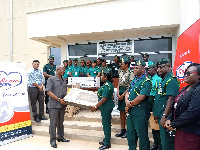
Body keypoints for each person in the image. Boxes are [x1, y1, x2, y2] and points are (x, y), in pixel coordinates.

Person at [165, 63, 200, 150]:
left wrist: (173, 124)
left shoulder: (198, 90)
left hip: (191, 132)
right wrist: (169, 118)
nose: (185, 75)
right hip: (181, 131)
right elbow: (175, 105)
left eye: (189, 73)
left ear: (198, 75)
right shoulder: (186, 88)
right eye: (185, 73)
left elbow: (192, 113)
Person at [153, 59, 180, 150]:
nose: (158, 69)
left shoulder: (171, 80)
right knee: (163, 141)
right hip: (160, 113)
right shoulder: (163, 80)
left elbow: (171, 100)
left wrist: (165, 116)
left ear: (169, 67)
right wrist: (156, 114)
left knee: (167, 142)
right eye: (158, 67)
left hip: (166, 115)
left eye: (161, 67)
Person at [125, 60, 151, 150]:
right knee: (131, 134)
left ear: (143, 69)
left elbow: (141, 97)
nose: (134, 70)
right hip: (131, 112)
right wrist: (127, 101)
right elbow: (127, 92)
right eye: (134, 68)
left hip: (140, 112)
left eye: (137, 68)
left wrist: (129, 104)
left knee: (142, 135)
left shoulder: (146, 81)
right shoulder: (135, 80)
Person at [46, 65, 70, 148]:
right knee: (53, 123)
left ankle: (60, 137)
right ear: (57, 70)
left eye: (64, 70)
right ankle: (53, 140)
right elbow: (49, 92)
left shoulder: (64, 80)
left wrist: (69, 97)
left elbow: (64, 92)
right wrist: (59, 99)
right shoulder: (51, 79)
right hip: (54, 105)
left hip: (62, 105)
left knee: (61, 122)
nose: (64, 71)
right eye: (63, 70)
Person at [91, 69, 114, 150]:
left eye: (102, 75)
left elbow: (104, 99)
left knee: (106, 125)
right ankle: (105, 140)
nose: (101, 76)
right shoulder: (107, 84)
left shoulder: (107, 86)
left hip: (106, 107)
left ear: (106, 77)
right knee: (105, 124)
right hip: (105, 107)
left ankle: (107, 143)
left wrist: (96, 106)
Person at [115, 58, 131, 138]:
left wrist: (123, 95)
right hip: (120, 91)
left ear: (127, 65)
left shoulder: (130, 73)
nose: (121, 65)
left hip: (126, 92)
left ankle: (129, 130)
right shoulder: (120, 71)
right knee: (121, 112)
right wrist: (118, 94)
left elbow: (130, 86)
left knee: (126, 112)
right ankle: (122, 129)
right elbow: (118, 83)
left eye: (123, 64)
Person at [148, 64, 162, 150]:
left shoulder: (159, 79)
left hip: (155, 101)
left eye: (150, 69)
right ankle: (155, 143)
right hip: (149, 101)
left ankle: (159, 145)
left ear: (155, 69)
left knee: (157, 124)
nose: (148, 70)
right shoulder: (149, 79)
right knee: (153, 124)